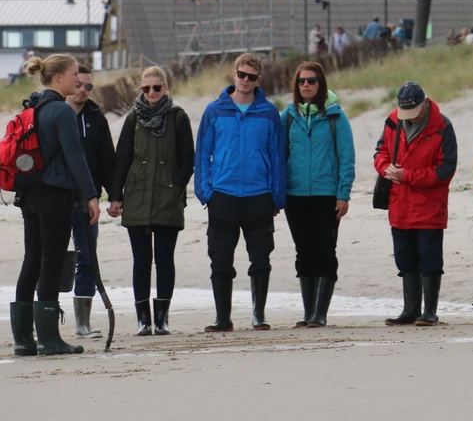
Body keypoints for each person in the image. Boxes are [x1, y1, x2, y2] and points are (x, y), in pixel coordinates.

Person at [10, 54, 100, 357]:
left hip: (29, 194)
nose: (78, 80)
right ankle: (49, 339)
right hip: (54, 195)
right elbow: (75, 157)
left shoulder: (32, 106)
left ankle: (24, 340)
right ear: (59, 77)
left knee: (32, 260)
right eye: (74, 74)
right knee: (51, 261)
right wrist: (90, 195)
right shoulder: (62, 110)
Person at [195, 54, 286, 332]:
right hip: (222, 195)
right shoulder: (214, 110)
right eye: (241, 74)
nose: (246, 80)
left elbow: (278, 156)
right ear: (234, 74)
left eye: (252, 77)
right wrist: (205, 192)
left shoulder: (269, 112)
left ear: (259, 80)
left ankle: (259, 315)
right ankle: (222, 318)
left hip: (259, 195)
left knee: (260, 259)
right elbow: (202, 154)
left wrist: (277, 196)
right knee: (220, 259)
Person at [109, 66, 194, 336]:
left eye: (157, 87)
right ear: (141, 89)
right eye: (147, 88)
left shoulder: (178, 117)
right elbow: (122, 160)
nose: (152, 92)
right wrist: (115, 196)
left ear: (166, 88)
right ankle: (143, 321)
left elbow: (188, 160)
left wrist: (176, 186)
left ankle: (162, 319)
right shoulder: (133, 119)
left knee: (165, 260)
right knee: (141, 260)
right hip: (137, 198)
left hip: (168, 198)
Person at [282, 62, 356, 328]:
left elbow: (347, 158)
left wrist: (343, 193)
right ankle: (308, 312)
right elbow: (279, 155)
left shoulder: (336, 117)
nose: (306, 85)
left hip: (327, 194)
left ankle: (320, 313)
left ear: (320, 84)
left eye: (311, 81)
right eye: (301, 81)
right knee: (304, 251)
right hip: (295, 194)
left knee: (325, 250)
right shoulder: (288, 116)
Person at [378, 82, 458, 327]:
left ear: (424, 103)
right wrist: (385, 168)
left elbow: (445, 170)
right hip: (399, 203)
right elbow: (380, 151)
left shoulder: (442, 126)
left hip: (429, 205)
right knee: (405, 258)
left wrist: (408, 176)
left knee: (429, 258)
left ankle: (430, 312)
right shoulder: (393, 121)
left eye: (413, 112)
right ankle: (410, 310)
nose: (409, 117)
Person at [66, 63, 115, 339]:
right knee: (50, 259)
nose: (83, 90)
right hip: (56, 201)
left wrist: (115, 196)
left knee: (87, 258)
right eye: (78, 84)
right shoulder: (52, 113)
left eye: (88, 86)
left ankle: (82, 324)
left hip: (88, 201)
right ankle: (44, 321)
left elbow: (108, 161)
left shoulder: (96, 118)